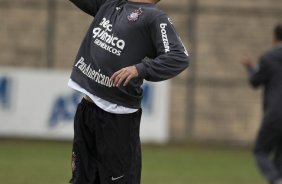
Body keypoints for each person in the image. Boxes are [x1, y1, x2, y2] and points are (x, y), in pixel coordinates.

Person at [67, 0, 189, 183]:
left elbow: (178, 57)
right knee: (81, 179)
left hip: (118, 119)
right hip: (87, 111)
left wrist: (139, 69)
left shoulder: (155, 17)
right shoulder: (109, 4)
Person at [242, 24, 282, 184]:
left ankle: (275, 180)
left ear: (274, 37)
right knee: (280, 157)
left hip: (275, 113)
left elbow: (255, 81)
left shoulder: (268, 58)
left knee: (260, 150)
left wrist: (251, 68)